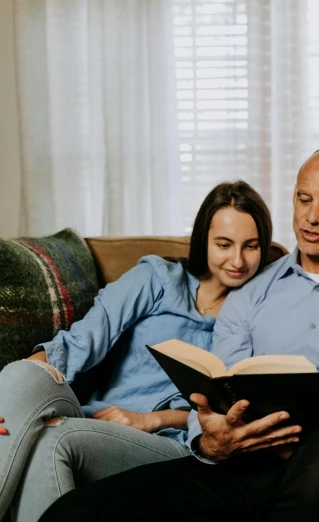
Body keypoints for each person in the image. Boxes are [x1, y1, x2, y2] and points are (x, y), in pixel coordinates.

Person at [40, 146, 319, 522]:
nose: (312, 217)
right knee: (74, 512)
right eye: (303, 199)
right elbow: (214, 391)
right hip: (244, 459)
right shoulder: (250, 293)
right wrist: (210, 439)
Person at [0, 180, 273, 522]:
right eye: (224, 244)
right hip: (89, 413)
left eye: (251, 246)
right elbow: (85, 339)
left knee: (50, 441)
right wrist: (13, 392)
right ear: (203, 239)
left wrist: (148, 419)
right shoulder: (157, 279)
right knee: (24, 374)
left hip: (169, 441)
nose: (237, 260)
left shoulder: (259, 314)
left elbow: (227, 410)